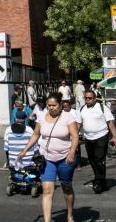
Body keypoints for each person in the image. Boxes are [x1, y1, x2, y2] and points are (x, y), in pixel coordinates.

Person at [17, 92, 80, 222]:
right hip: (47, 158)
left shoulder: (68, 117)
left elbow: (75, 136)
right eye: (49, 105)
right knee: (46, 190)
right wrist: (25, 150)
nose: (51, 108)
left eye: (53, 105)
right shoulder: (41, 117)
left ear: (60, 105)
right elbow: (36, 134)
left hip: (65, 158)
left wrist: (72, 152)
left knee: (66, 187)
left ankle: (70, 215)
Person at [77, 90, 116, 194]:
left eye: (90, 98)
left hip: (101, 136)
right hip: (88, 138)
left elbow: (110, 123)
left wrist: (115, 136)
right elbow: (78, 124)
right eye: (86, 98)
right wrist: (74, 137)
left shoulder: (102, 107)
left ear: (95, 98)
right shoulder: (81, 109)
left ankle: (98, 182)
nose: (88, 100)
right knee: (92, 160)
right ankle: (101, 179)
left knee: (99, 159)